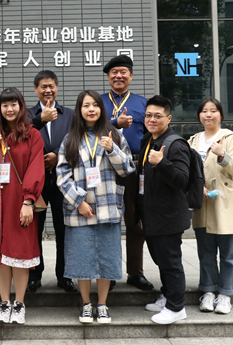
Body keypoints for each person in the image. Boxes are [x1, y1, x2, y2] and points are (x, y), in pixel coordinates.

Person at [56, 90, 136, 324]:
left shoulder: (114, 135)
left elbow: (127, 169)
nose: (91, 109)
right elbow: (61, 175)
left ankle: (102, 304)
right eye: (86, 105)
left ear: (102, 109)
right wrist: (78, 201)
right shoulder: (70, 139)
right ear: (79, 110)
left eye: (95, 105)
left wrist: (112, 149)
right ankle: (85, 304)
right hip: (80, 210)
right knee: (82, 258)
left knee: (106, 258)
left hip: (107, 207)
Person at [0, 87, 45, 325]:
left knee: (19, 252)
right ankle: (4, 303)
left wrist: (28, 201)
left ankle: (19, 303)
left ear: (21, 107)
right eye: (5, 105)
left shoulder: (33, 135)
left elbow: (36, 168)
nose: (9, 109)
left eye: (13, 104)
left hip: (19, 201)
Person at [100, 55, 153, 291]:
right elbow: (88, 128)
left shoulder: (143, 104)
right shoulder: (98, 102)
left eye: (123, 72)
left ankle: (135, 273)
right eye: (114, 72)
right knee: (107, 221)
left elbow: (152, 134)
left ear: (131, 75)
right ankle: (108, 273)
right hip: (105, 168)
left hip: (134, 168)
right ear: (108, 77)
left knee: (135, 221)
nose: (118, 76)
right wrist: (114, 123)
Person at [188, 98, 233, 314]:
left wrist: (222, 154)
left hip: (224, 202)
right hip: (202, 202)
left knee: (228, 254)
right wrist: (197, 188)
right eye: (204, 111)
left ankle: (226, 294)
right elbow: (188, 171)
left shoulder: (230, 138)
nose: (208, 114)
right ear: (199, 116)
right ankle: (208, 291)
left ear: (221, 115)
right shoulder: (193, 141)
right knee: (206, 252)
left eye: (213, 111)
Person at [138, 95, 191, 325]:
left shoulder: (176, 144)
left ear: (168, 118)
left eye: (157, 116)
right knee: (161, 260)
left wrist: (162, 163)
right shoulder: (148, 140)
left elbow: (182, 180)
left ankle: (176, 307)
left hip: (169, 216)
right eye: (148, 115)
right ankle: (168, 295)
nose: (152, 119)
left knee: (170, 262)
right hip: (152, 214)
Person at [27, 70, 76, 293]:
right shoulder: (28, 115)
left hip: (62, 181)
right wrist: (40, 120)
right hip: (35, 183)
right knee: (33, 231)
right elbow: (20, 137)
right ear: (36, 89)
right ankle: (34, 275)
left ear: (57, 87)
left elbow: (76, 141)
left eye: (51, 86)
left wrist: (58, 155)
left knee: (63, 230)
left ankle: (65, 276)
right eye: (43, 87)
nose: (48, 90)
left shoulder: (69, 115)